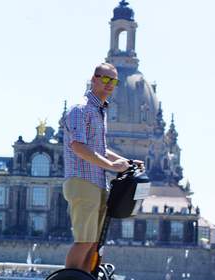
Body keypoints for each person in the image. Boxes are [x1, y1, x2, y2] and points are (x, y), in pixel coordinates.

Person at [62, 63, 143, 272]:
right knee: (84, 241)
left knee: (94, 244)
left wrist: (127, 162)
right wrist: (111, 166)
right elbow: (78, 146)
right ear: (94, 79)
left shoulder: (99, 111)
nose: (109, 84)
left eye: (113, 81)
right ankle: (70, 279)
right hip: (83, 181)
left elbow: (101, 149)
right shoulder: (81, 109)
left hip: (97, 183)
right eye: (105, 79)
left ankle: (84, 277)